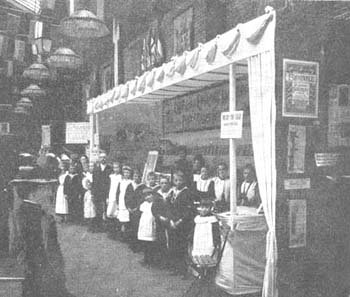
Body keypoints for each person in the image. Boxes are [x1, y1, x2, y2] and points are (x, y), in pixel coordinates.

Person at [166, 170, 194, 277]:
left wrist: (179, 221)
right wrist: (171, 220)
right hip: (172, 223)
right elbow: (168, 207)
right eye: (176, 180)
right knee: (173, 246)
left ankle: (183, 270)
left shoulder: (187, 193)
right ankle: (175, 268)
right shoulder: (172, 192)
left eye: (180, 180)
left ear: (184, 181)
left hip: (182, 225)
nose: (178, 183)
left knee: (181, 247)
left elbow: (188, 211)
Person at [152, 176, 172, 266]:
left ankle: (169, 261)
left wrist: (169, 218)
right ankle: (160, 260)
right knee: (160, 239)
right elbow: (154, 208)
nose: (164, 185)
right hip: (160, 220)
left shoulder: (171, 194)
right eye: (162, 183)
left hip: (169, 220)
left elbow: (173, 207)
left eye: (166, 183)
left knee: (170, 240)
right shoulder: (157, 195)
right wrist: (159, 217)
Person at [125, 169, 146, 251]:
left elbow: (142, 199)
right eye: (134, 176)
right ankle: (131, 244)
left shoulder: (142, 187)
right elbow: (126, 197)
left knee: (137, 227)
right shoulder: (130, 185)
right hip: (130, 209)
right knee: (131, 226)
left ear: (140, 177)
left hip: (138, 210)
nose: (136, 178)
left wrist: (137, 208)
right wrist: (128, 207)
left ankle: (137, 245)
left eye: (138, 176)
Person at [91, 151, 112, 232]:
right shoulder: (96, 169)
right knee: (98, 209)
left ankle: (107, 227)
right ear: (99, 159)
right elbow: (94, 181)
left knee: (106, 209)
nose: (102, 159)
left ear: (106, 159)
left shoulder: (109, 168)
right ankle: (98, 227)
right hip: (97, 192)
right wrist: (93, 193)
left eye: (104, 157)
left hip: (106, 192)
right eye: (101, 157)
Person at [138, 188, 158, 266]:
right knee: (145, 243)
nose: (148, 197)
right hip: (144, 224)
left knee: (151, 244)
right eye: (146, 196)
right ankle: (146, 258)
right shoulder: (144, 204)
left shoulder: (154, 204)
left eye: (149, 195)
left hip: (151, 223)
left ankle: (151, 260)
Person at [116, 165, 133, 238]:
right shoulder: (121, 182)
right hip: (121, 200)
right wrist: (117, 202)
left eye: (127, 173)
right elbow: (118, 192)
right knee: (121, 217)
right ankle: (121, 232)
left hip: (127, 201)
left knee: (127, 218)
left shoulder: (131, 182)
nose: (126, 174)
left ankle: (126, 232)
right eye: (125, 173)